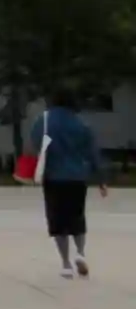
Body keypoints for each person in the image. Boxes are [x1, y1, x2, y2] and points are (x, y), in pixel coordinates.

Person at [32, 92, 110, 279]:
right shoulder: (81, 124)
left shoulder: (44, 121)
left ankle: (66, 264)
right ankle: (80, 253)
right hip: (77, 177)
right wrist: (101, 179)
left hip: (53, 177)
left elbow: (36, 143)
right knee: (77, 216)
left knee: (57, 220)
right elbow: (92, 153)